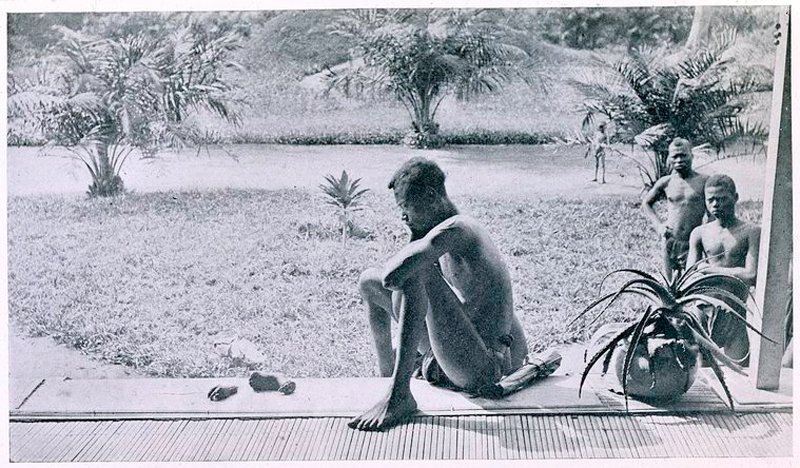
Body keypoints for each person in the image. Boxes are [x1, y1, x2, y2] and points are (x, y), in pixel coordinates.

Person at [352, 157, 528, 431]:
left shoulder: (458, 230)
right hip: (462, 353)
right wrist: (416, 239)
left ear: (432, 197)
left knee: (416, 272)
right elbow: (386, 283)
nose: (404, 217)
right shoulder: (439, 237)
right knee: (368, 283)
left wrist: (415, 241)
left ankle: (399, 395)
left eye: (406, 208)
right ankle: (387, 379)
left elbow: (395, 275)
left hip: (484, 367)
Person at [686, 174, 760, 364]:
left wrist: (709, 270)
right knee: (702, 372)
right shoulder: (700, 233)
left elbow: (750, 274)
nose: (715, 204)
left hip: (735, 311)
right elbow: (690, 275)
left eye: (722, 199)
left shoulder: (751, 232)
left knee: (740, 370)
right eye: (710, 200)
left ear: (735, 197)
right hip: (704, 307)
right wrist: (734, 272)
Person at [642, 138, 709, 282]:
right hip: (670, 239)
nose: (679, 160)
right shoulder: (666, 182)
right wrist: (659, 226)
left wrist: (707, 233)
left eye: (683, 155)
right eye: (675, 156)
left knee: (694, 282)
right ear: (669, 158)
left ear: (692, 155)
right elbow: (646, 203)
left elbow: (713, 214)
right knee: (671, 285)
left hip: (693, 242)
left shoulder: (704, 181)